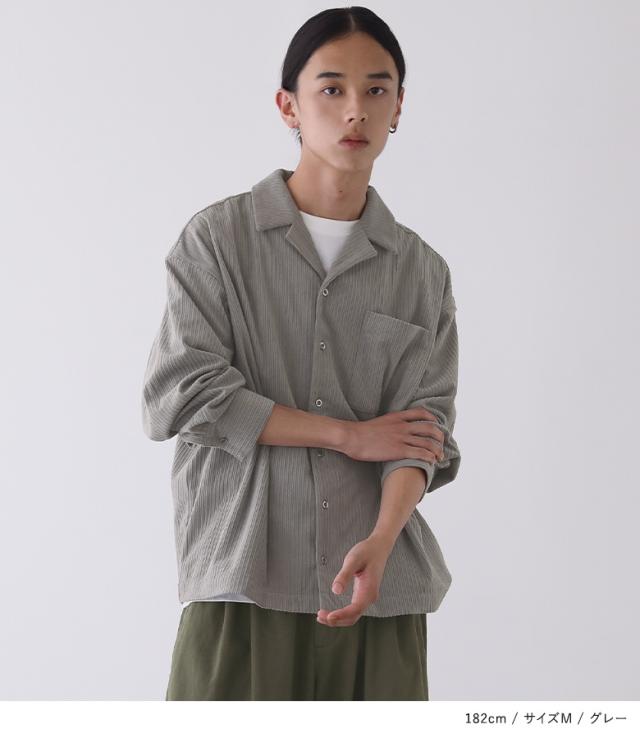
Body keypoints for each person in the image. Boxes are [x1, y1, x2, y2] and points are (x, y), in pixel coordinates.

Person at [141, 6, 461, 700]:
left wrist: (383, 538)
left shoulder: (421, 272)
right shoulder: (218, 241)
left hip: (381, 595)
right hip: (243, 583)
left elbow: (423, 433)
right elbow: (183, 393)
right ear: (288, 105)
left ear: (399, 106)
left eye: (377, 89)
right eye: (331, 88)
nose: (356, 110)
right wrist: (348, 434)